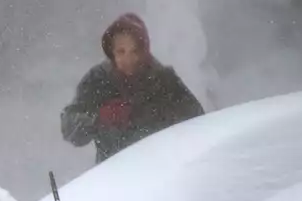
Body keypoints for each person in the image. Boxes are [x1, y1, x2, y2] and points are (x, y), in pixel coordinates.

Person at [61, 13, 206, 165]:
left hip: (162, 174)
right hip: (111, 177)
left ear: (144, 50)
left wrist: (161, 116)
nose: (128, 59)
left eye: (135, 51)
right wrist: (99, 118)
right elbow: (69, 127)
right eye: (121, 52)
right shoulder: (98, 80)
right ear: (112, 52)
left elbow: (198, 122)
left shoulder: (164, 80)